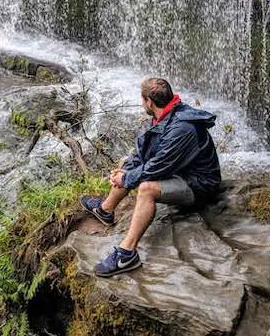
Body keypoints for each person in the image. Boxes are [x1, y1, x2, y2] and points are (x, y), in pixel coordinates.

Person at [80, 77, 221, 277]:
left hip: (199, 184)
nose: (141, 103)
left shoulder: (182, 128)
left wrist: (127, 179)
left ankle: (127, 253)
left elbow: (158, 167)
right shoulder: (166, 115)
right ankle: (105, 210)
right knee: (130, 166)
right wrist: (124, 172)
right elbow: (144, 154)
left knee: (146, 188)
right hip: (179, 171)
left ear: (149, 102)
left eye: (142, 99)